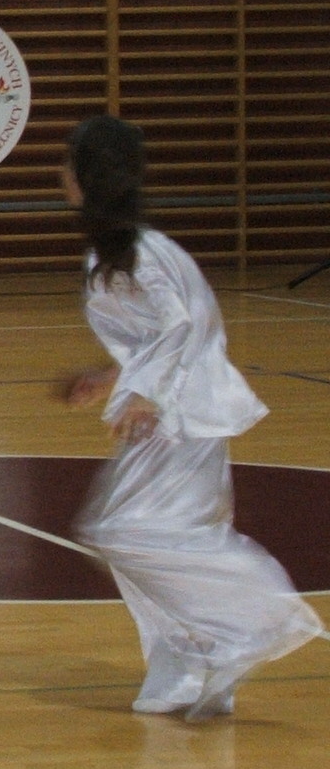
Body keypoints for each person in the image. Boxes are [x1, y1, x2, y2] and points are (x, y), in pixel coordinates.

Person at [58, 116, 323, 720]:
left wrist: (146, 392)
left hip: (180, 412)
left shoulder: (142, 252)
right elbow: (157, 330)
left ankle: (256, 617)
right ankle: (189, 664)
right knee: (148, 533)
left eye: (69, 164)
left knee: (122, 532)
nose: (61, 175)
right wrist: (111, 376)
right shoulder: (119, 249)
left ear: (89, 176)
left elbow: (181, 325)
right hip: (171, 407)